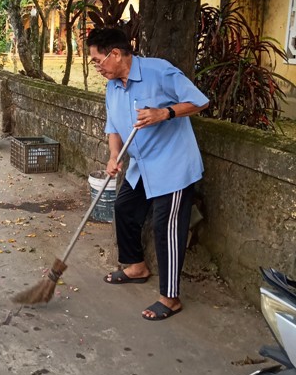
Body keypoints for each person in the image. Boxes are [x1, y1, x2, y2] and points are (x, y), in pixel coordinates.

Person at [86, 27, 209, 321]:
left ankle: (170, 298)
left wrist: (163, 113)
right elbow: (113, 128)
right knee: (124, 207)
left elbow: (200, 101)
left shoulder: (158, 71)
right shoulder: (113, 86)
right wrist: (114, 157)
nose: (97, 68)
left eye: (97, 61)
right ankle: (135, 266)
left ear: (115, 54)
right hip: (142, 166)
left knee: (165, 228)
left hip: (173, 164)